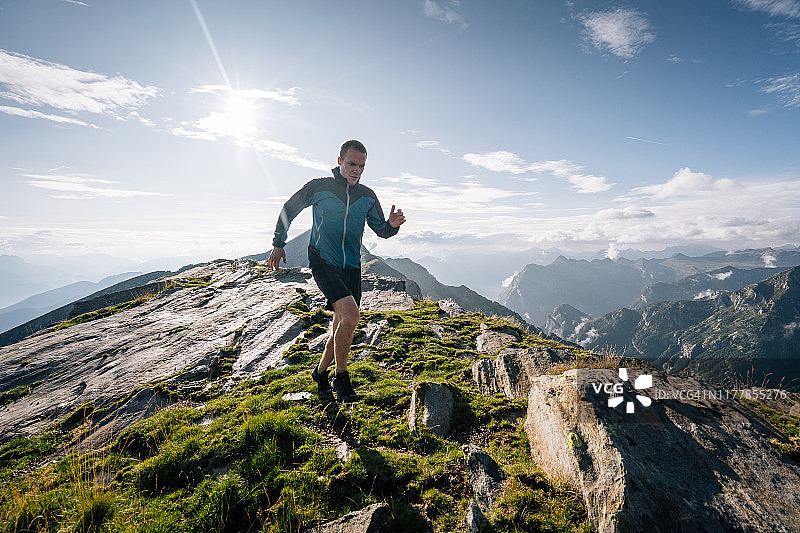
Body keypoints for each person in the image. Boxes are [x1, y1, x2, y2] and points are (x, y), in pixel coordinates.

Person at [267, 140, 406, 402]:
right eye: (352, 164)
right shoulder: (319, 187)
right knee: (351, 316)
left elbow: (381, 230)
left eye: (362, 166)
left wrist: (393, 225)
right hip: (323, 261)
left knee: (342, 324)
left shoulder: (367, 195)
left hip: (351, 266)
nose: (357, 170)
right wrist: (278, 243)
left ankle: (320, 373)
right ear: (340, 161)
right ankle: (341, 378)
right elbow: (289, 209)